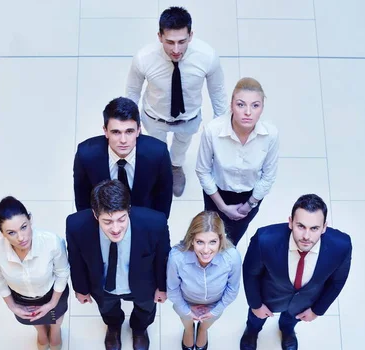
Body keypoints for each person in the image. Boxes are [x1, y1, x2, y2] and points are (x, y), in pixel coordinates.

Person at [126, 6, 227, 197]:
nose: (176, 49)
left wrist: (220, 128)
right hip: (154, 117)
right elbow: (132, 91)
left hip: (189, 118)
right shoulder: (144, 58)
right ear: (159, 36)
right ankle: (159, 170)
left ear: (191, 35)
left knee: (182, 144)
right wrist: (129, 123)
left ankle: (175, 167)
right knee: (156, 148)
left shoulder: (207, 56)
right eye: (169, 42)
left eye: (182, 41)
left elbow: (218, 92)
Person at [66, 179, 170, 350]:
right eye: (107, 221)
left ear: (128, 210)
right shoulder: (76, 226)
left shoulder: (155, 223)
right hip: (103, 285)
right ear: (95, 215)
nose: (115, 228)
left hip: (143, 285)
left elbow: (163, 258)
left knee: (145, 310)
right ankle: (114, 328)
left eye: (121, 219)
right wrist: (80, 288)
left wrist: (162, 287)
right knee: (108, 309)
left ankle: (139, 330)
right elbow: (75, 258)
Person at [240, 194, 352, 350]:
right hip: (269, 294)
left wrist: (317, 310)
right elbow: (250, 273)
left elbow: (337, 281)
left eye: (314, 228)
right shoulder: (264, 240)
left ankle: (287, 332)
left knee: (291, 320)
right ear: (291, 222)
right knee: (255, 319)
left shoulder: (341, 246)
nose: (306, 236)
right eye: (301, 226)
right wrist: (256, 305)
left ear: (324, 227)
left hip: (306, 300)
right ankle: (251, 333)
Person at [196, 77, 279, 245]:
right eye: (241, 105)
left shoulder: (270, 135)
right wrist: (222, 207)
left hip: (251, 196)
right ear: (232, 105)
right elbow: (203, 171)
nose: (248, 112)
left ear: (262, 108)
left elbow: (268, 176)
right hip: (217, 193)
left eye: (255, 105)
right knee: (211, 235)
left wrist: (249, 205)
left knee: (233, 239)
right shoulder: (213, 131)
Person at [0, 196, 70, 350]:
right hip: (20, 297)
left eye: (24, 227)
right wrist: (11, 305)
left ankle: (55, 332)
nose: (21, 238)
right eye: (11, 232)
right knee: (34, 320)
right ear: (2, 233)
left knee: (57, 317)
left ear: (30, 220)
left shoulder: (52, 242)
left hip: (52, 292)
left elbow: (62, 273)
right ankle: (41, 332)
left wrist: (52, 303)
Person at [73, 97, 173, 218]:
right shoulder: (86, 155)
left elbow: (164, 197)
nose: (123, 140)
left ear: (138, 130)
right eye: (116, 132)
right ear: (105, 131)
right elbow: (82, 200)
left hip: (143, 217)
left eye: (129, 131)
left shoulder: (158, 153)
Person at [167, 211, 241, 350]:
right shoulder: (177, 257)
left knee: (208, 322)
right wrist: (187, 311)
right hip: (185, 301)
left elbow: (232, 289)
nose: (206, 250)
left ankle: (202, 330)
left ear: (220, 240)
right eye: (200, 242)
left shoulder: (232, 257)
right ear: (192, 239)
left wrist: (214, 310)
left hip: (215, 303)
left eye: (212, 242)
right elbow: (172, 289)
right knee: (186, 321)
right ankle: (188, 331)